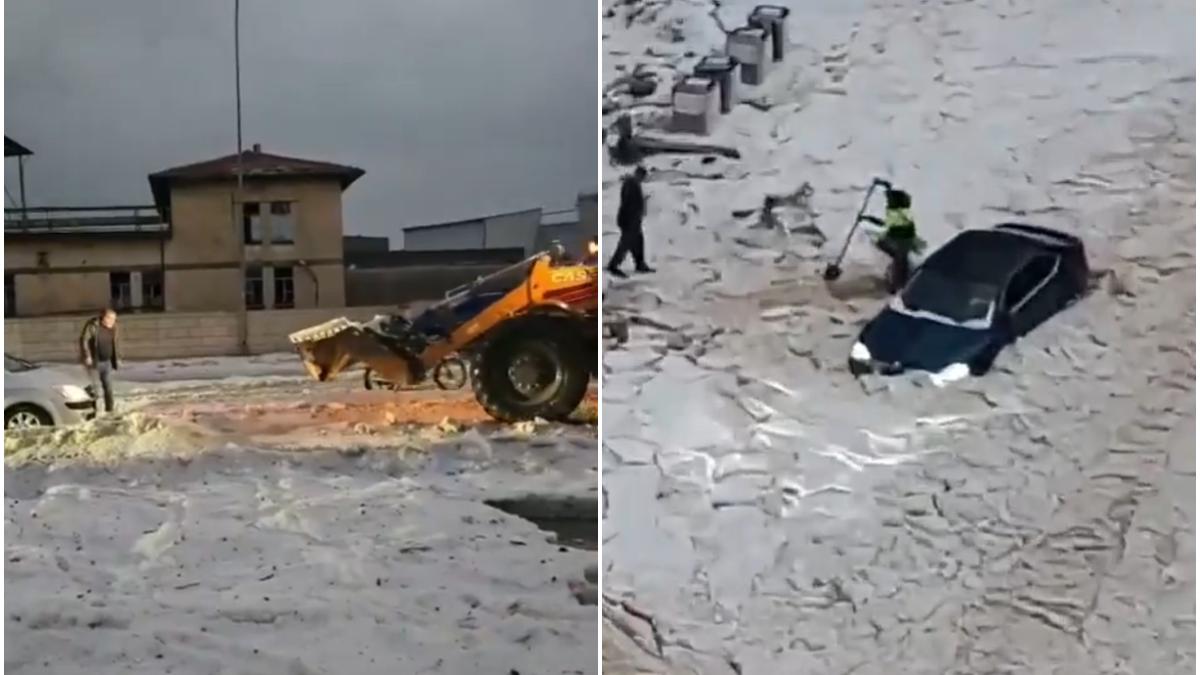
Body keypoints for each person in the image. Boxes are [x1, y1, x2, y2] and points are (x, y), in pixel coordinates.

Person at [862, 187, 921, 292]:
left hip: (901, 241)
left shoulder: (899, 213)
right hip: (900, 240)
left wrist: (870, 219)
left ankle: (897, 286)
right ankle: (897, 283)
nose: (887, 203)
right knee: (896, 258)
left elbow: (887, 225)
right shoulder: (900, 212)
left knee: (899, 262)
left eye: (889, 200)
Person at [606, 166, 654, 278]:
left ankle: (640, 264)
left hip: (634, 219)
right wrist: (631, 216)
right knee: (626, 243)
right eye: (642, 176)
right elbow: (627, 202)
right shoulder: (631, 183)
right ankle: (613, 265)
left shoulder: (634, 183)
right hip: (629, 219)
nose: (642, 179)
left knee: (638, 241)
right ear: (638, 174)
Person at [79, 308, 120, 414]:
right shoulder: (93, 325)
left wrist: (117, 358)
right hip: (94, 363)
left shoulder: (114, 327)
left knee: (108, 388)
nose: (113, 321)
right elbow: (84, 340)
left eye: (114, 319)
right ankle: (93, 412)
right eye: (111, 319)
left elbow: (114, 344)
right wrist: (87, 356)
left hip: (107, 362)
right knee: (95, 390)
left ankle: (110, 411)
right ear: (104, 318)